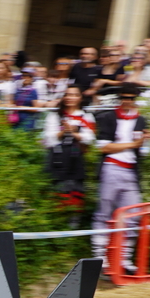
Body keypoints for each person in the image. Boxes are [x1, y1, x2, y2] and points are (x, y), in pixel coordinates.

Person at [91, 83, 149, 274]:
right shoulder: (108, 117)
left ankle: (124, 259)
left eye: (131, 98)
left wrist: (145, 143)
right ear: (119, 98)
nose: (127, 101)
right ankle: (99, 258)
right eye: (124, 97)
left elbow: (144, 151)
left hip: (131, 170)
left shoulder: (141, 120)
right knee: (104, 213)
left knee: (133, 215)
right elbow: (103, 147)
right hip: (112, 167)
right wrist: (133, 144)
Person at [44, 85, 94, 227]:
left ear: (80, 98)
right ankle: (56, 224)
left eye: (74, 95)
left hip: (76, 159)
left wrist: (73, 133)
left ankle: (73, 225)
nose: (70, 98)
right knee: (57, 191)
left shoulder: (86, 116)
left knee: (75, 191)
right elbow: (49, 139)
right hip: (57, 158)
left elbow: (89, 138)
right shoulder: (55, 115)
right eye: (68, 94)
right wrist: (63, 131)